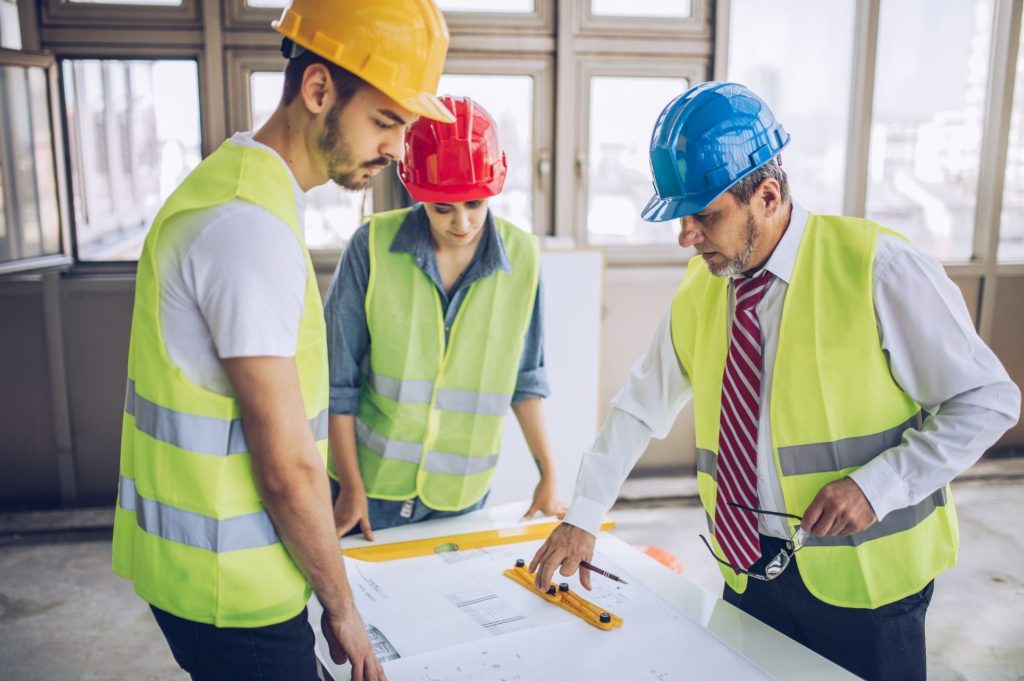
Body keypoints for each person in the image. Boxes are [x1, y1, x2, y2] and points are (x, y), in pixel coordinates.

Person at [529, 81, 1020, 681]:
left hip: (869, 589)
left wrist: (876, 486)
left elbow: (988, 400)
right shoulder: (700, 291)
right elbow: (638, 407)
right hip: (747, 571)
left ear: (767, 195)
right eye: (681, 217)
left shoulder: (879, 269)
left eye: (704, 216)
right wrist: (583, 513)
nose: (686, 236)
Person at [110, 1, 454, 679]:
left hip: (195, 573)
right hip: (232, 594)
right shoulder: (248, 229)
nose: (395, 149)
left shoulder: (234, 192)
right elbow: (285, 465)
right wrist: (343, 606)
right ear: (319, 88)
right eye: (386, 121)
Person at [324, 95, 566, 540]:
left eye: (475, 204)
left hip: (462, 497)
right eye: (442, 208)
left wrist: (548, 473)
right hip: (367, 490)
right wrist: (350, 489)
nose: (462, 223)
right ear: (415, 190)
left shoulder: (524, 258)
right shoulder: (371, 247)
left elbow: (526, 380)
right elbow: (336, 385)